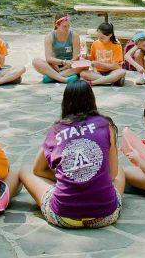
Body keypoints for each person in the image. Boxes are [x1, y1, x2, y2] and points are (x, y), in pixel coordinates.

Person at [19, 80, 125, 228]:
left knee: (25, 169)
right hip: (105, 216)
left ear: (65, 102)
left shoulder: (57, 129)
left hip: (63, 216)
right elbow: (112, 174)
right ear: (92, 99)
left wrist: (68, 177)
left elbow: (38, 169)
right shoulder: (106, 124)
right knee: (120, 170)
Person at [32, 13, 83, 84]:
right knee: (36, 61)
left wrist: (68, 64)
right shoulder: (49, 37)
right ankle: (64, 79)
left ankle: (53, 77)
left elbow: (76, 57)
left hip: (70, 66)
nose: (67, 28)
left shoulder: (74, 35)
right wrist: (63, 62)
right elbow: (48, 58)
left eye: (68, 25)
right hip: (55, 66)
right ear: (57, 25)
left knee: (84, 66)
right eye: (64, 26)